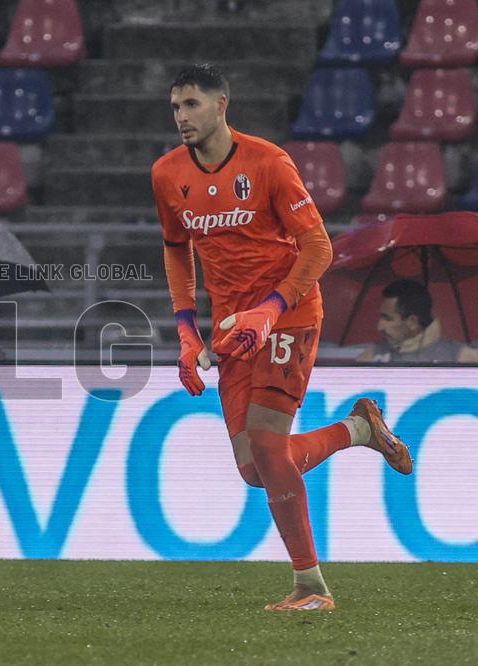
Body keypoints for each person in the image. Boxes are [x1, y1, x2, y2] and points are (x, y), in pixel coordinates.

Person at [152, 64, 414, 612]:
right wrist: (183, 330)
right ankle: (358, 428)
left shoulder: (269, 162)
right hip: (231, 329)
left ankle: (311, 587)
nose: (181, 117)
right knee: (255, 469)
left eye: (192, 104)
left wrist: (270, 310)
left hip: (287, 315)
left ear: (222, 105)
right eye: (176, 106)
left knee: (269, 447)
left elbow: (319, 249)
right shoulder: (166, 173)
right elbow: (177, 249)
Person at [356, 279, 478, 364]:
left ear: (412, 322)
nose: (380, 326)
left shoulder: (462, 358)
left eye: (388, 318)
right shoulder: (369, 358)